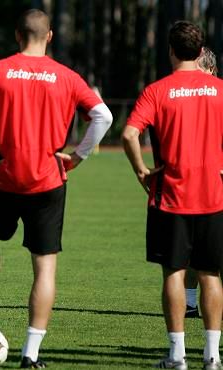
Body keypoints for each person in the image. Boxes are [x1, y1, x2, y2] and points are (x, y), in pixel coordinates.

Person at [0, 9, 112, 368]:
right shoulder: (67, 77)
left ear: (17, 35)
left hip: (7, 175)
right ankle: (30, 355)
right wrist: (77, 156)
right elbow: (103, 115)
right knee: (44, 267)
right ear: (51, 36)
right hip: (49, 179)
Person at [123, 21, 223, 370]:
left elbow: (129, 134)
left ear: (170, 50)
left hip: (172, 196)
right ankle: (212, 357)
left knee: (174, 273)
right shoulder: (219, 89)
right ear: (200, 53)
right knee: (211, 274)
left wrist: (141, 172)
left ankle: (177, 356)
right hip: (213, 195)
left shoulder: (157, 91)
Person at [183, 46, 219, 320]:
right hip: (192, 182)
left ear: (210, 70)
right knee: (194, 251)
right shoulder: (184, 96)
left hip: (215, 182)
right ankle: (190, 302)